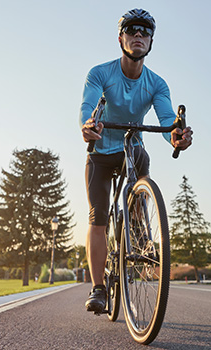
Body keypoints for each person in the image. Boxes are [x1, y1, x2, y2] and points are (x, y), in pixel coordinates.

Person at [79, 8, 193, 313]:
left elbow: (168, 119)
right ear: (121, 38)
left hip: (132, 148)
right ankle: (98, 288)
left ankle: (139, 225)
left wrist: (176, 135)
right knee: (98, 216)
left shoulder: (157, 84)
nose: (138, 36)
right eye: (132, 30)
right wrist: (88, 125)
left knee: (141, 155)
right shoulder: (100, 73)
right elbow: (89, 105)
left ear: (152, 40)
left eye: (145, 31)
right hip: (101, 152)